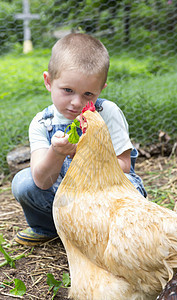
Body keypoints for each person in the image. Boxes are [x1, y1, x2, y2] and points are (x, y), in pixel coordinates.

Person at [12, 33, 147, 246]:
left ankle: (109, 235)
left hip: (102, 195)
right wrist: (57, 153)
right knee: (24, 183)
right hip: (62, 198)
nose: (76, 103)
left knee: (131, 186)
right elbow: (41, 180)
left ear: (101, 89)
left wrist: (85, 154)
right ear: (48, 81)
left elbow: (124, 167)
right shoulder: (41, 123)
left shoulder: (108, 112)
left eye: (88, 94)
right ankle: (49, 229)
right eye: (68, 90)